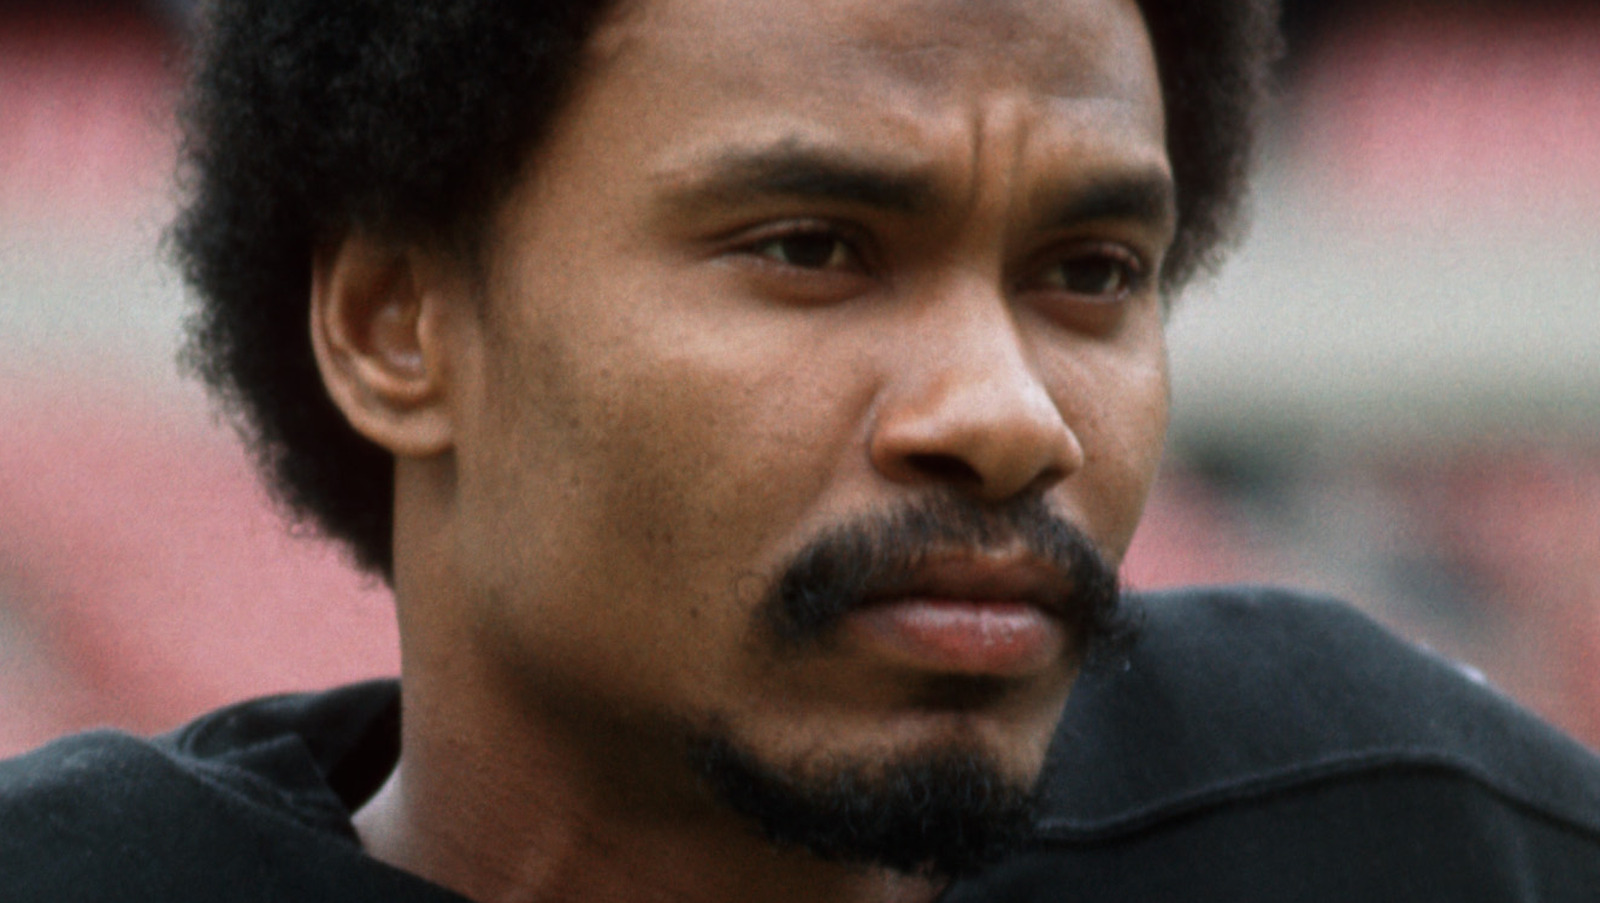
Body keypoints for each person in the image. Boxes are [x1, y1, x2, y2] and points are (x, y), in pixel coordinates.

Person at [3, 0, 1599, 900]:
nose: (1006, 412)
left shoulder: (1385, 835)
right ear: (394, 322)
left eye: (1091, 274)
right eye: (814, 249)